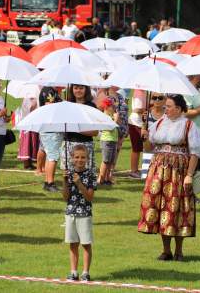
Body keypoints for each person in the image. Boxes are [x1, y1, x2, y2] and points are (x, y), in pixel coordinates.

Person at [138, 94, 200, 261]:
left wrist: (189, 175)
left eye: (168, 106)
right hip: (159, 171)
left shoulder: (188, 125)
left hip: (178, 171)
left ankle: (179, 251)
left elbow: (195, 153)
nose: (165, 109)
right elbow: (148, 148)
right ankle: (166, 250)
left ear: (179, 109)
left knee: (177, 208)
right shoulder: (160, 123)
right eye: (165, 106)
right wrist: (144, 136)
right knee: (161, 208)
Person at [62, 144, 96, 281]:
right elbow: (65, 197)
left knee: (86, 244)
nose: (79, 160)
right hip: (71, 213)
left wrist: (79, 183)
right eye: (76, 157)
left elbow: (89, 197)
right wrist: (65, 181)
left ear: (87, 158)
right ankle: (74, 271)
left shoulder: (91, 175)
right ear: (71, 158)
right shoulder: (69, 174)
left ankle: (85, 272)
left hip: (84, 214)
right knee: (73, 243)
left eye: (83, 157)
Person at [61, 85, 98, 172]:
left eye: (81, 88)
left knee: (85, 175)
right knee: (68, 175)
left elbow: (95, 132)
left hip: (86, 144)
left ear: (86, 90)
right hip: (69, 144)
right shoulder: (67, 106)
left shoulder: (91, 106)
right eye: (76, 88)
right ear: (72, 89)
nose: (78, 91)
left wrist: (77, 129)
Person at [39, 87, 64, 192]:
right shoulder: (49, 91)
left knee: (50, 157)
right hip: (51, 130)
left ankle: (47, 182)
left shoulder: (48, 90)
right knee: (53, 158)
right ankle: (50, 183)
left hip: (48, 129)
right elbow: (49, 105)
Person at [97, 98, 119, 185]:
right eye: (112, 106)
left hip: (113, 140)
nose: (114, 108)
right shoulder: (104, 117)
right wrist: (116, 120)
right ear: (107, 107)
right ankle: (101, 179)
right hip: (106, 140)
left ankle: (107, 178)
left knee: (110, 161)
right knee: (106, 160)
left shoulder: (110, 116)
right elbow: (109, 128)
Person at [127, 89, 146, 178]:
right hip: (136, 123)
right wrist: (150, 107)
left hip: (139, 123)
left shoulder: (143, 92)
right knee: (136, 148)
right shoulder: (139, 92)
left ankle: (137, 170)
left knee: (139, 148)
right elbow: (137, 109)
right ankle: (133, 170)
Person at [17, 97, 39, 170]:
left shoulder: (34, 97)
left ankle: (30, 162)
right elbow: (27, 109)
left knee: (32, 143)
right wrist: (33, 104)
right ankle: (26, 163)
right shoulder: (27, 99)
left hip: (33, 123)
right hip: (27, 123)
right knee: (27, 144)